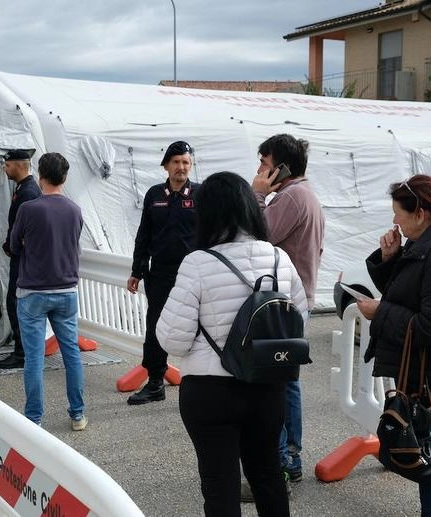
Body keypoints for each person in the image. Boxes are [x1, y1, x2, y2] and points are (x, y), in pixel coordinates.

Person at [157, 171, 306, 517]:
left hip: (210, 392)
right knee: (268, 475)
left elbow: (173, 339)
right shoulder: (277, 258)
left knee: (219, 485)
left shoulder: (197, 263)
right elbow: (297, 318)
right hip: (267, 386)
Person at [355, 174, 431, 517]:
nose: (395, 221)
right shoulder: (428, 242)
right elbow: (408, 294)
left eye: (398, 213)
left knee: (429, 448)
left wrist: (380, 313)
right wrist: (390, 258)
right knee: (423, 441)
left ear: (420, 212)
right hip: (421, 362)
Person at [251, 133, 324, 485]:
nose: (260, 170)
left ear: (282, 167)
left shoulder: (292, 197)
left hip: (284, 303)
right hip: (297, 300)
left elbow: (257, 233)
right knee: (287, 380)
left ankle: (283, 460)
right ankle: (290, 454)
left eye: (265, 164)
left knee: (275, 382)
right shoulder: (305, 194)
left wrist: (257, 193)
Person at [10, 152, 86, 430]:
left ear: (40, 175)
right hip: (66, 289)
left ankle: (34, 419)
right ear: (64, 177)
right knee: (71, 354)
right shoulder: (75, 210)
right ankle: (77, 414)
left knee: (34, 358)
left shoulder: (28, 209)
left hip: (32, 290)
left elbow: (14, 245)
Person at [126, 140, 199, 405]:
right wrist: (137, 269)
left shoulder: (200, 194)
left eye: (186, 162)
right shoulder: (154, 194)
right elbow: (143, 234)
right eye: (176, 162)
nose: (181, 167)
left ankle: (201, 383)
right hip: (161, 274)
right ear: (166, 165)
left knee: (200, 328)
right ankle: (156, 382)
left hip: (193, 275)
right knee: (156, 327)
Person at [0, 149, 42, 368]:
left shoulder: (29, 192)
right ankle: (21, 349)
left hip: (24, 257)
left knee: (17, 302)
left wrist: (13, 246)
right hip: (19, 254)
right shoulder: (22, 189)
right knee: (14, 302)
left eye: (7, 165)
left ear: (20, 165)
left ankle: (22, 352)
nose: (5, 170)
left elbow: (25, 227)